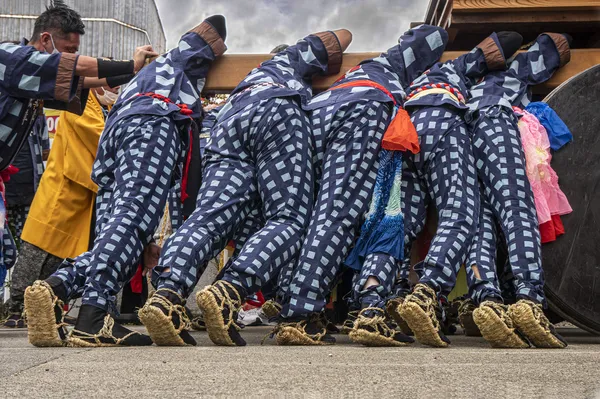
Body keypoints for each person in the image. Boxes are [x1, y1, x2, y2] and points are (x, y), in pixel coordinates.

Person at [140, 29, 352, 347]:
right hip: (278, 112)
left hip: (230, 123)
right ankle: (229, 292)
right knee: (289, 219)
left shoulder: (246, 81)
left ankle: (167, 296)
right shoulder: (294, 60)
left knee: (209, 217)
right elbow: (342, 37)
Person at [24, 15, 227, 347]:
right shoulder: (181, 59)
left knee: (122, 232)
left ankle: (57, 287)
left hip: (118, 130)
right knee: (133, 220)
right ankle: (91, 320)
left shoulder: (145, 77)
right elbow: (215, 25)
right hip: (152, 124)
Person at [274, 25, 449, 346]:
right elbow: (432, 36)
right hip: (364, 108)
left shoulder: (352, 71)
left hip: (319, 114)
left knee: (317, 215)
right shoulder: (393, 64)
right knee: (341, 215)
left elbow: (341, 35)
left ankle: (335, 307)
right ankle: (299, 314)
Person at [390, 31, 525, 348]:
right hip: (444, 119)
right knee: (462, 214)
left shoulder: (401, 78)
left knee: (400, 222)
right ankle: (429, 292)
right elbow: (508, 39)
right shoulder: (452, 69)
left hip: (403, 134)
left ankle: (380, 301)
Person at [465, 33, 572, 349]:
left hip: (457, 134)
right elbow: (557, 45)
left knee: (478, 223)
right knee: (517, 211)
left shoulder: (461, 74)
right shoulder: (511, 69)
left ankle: (487, 300)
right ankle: (528, 298)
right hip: (496, 121)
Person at [3, 86, 121, 328]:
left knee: (60, 257)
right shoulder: (81, 103)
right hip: (62, 189)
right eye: (111, 86)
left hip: (80, 192)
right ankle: (17, 308)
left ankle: (48, 305)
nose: (115, 91)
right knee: (37, 251)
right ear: (98, 85)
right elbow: (100, 138)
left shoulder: (104, 107)